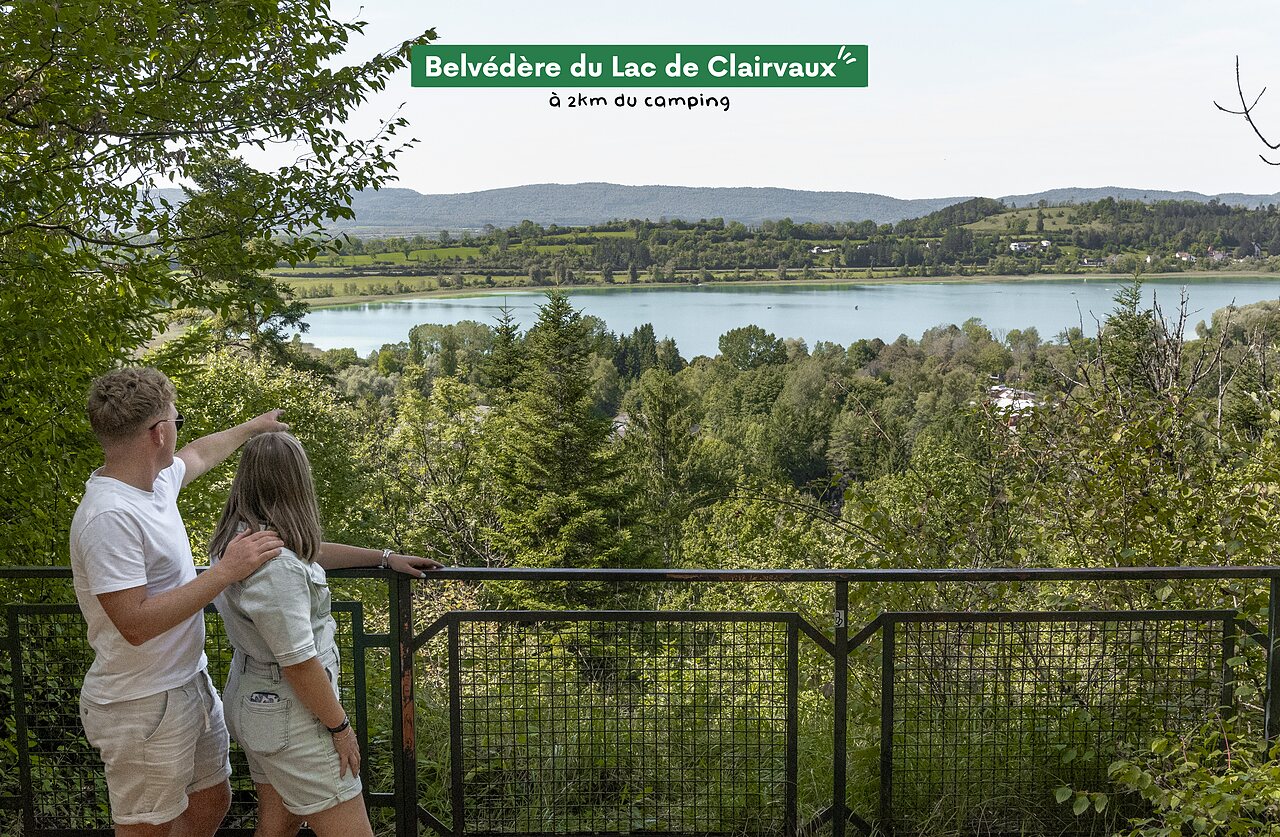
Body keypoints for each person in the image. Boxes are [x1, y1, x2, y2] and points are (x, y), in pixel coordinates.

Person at [71, 366, 290, 836]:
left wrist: (253, 426)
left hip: (186, 681)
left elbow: (199, 454)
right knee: (147, 826)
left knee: (212, 799)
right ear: (159, 432)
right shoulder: (109, 516)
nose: (179, 432)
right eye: (177, 420)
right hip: (141, 702)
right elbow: (134, 623)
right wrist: (227, 572)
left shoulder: (154, 483)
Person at [209, 431, 441, 837]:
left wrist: (385, 558)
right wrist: (341, 729)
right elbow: (299, 663)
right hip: (292, 714)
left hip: (258, 700)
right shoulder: (274, 567)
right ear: (297, 483)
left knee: (277, 823)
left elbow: (308, 549)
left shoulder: (241, 541)